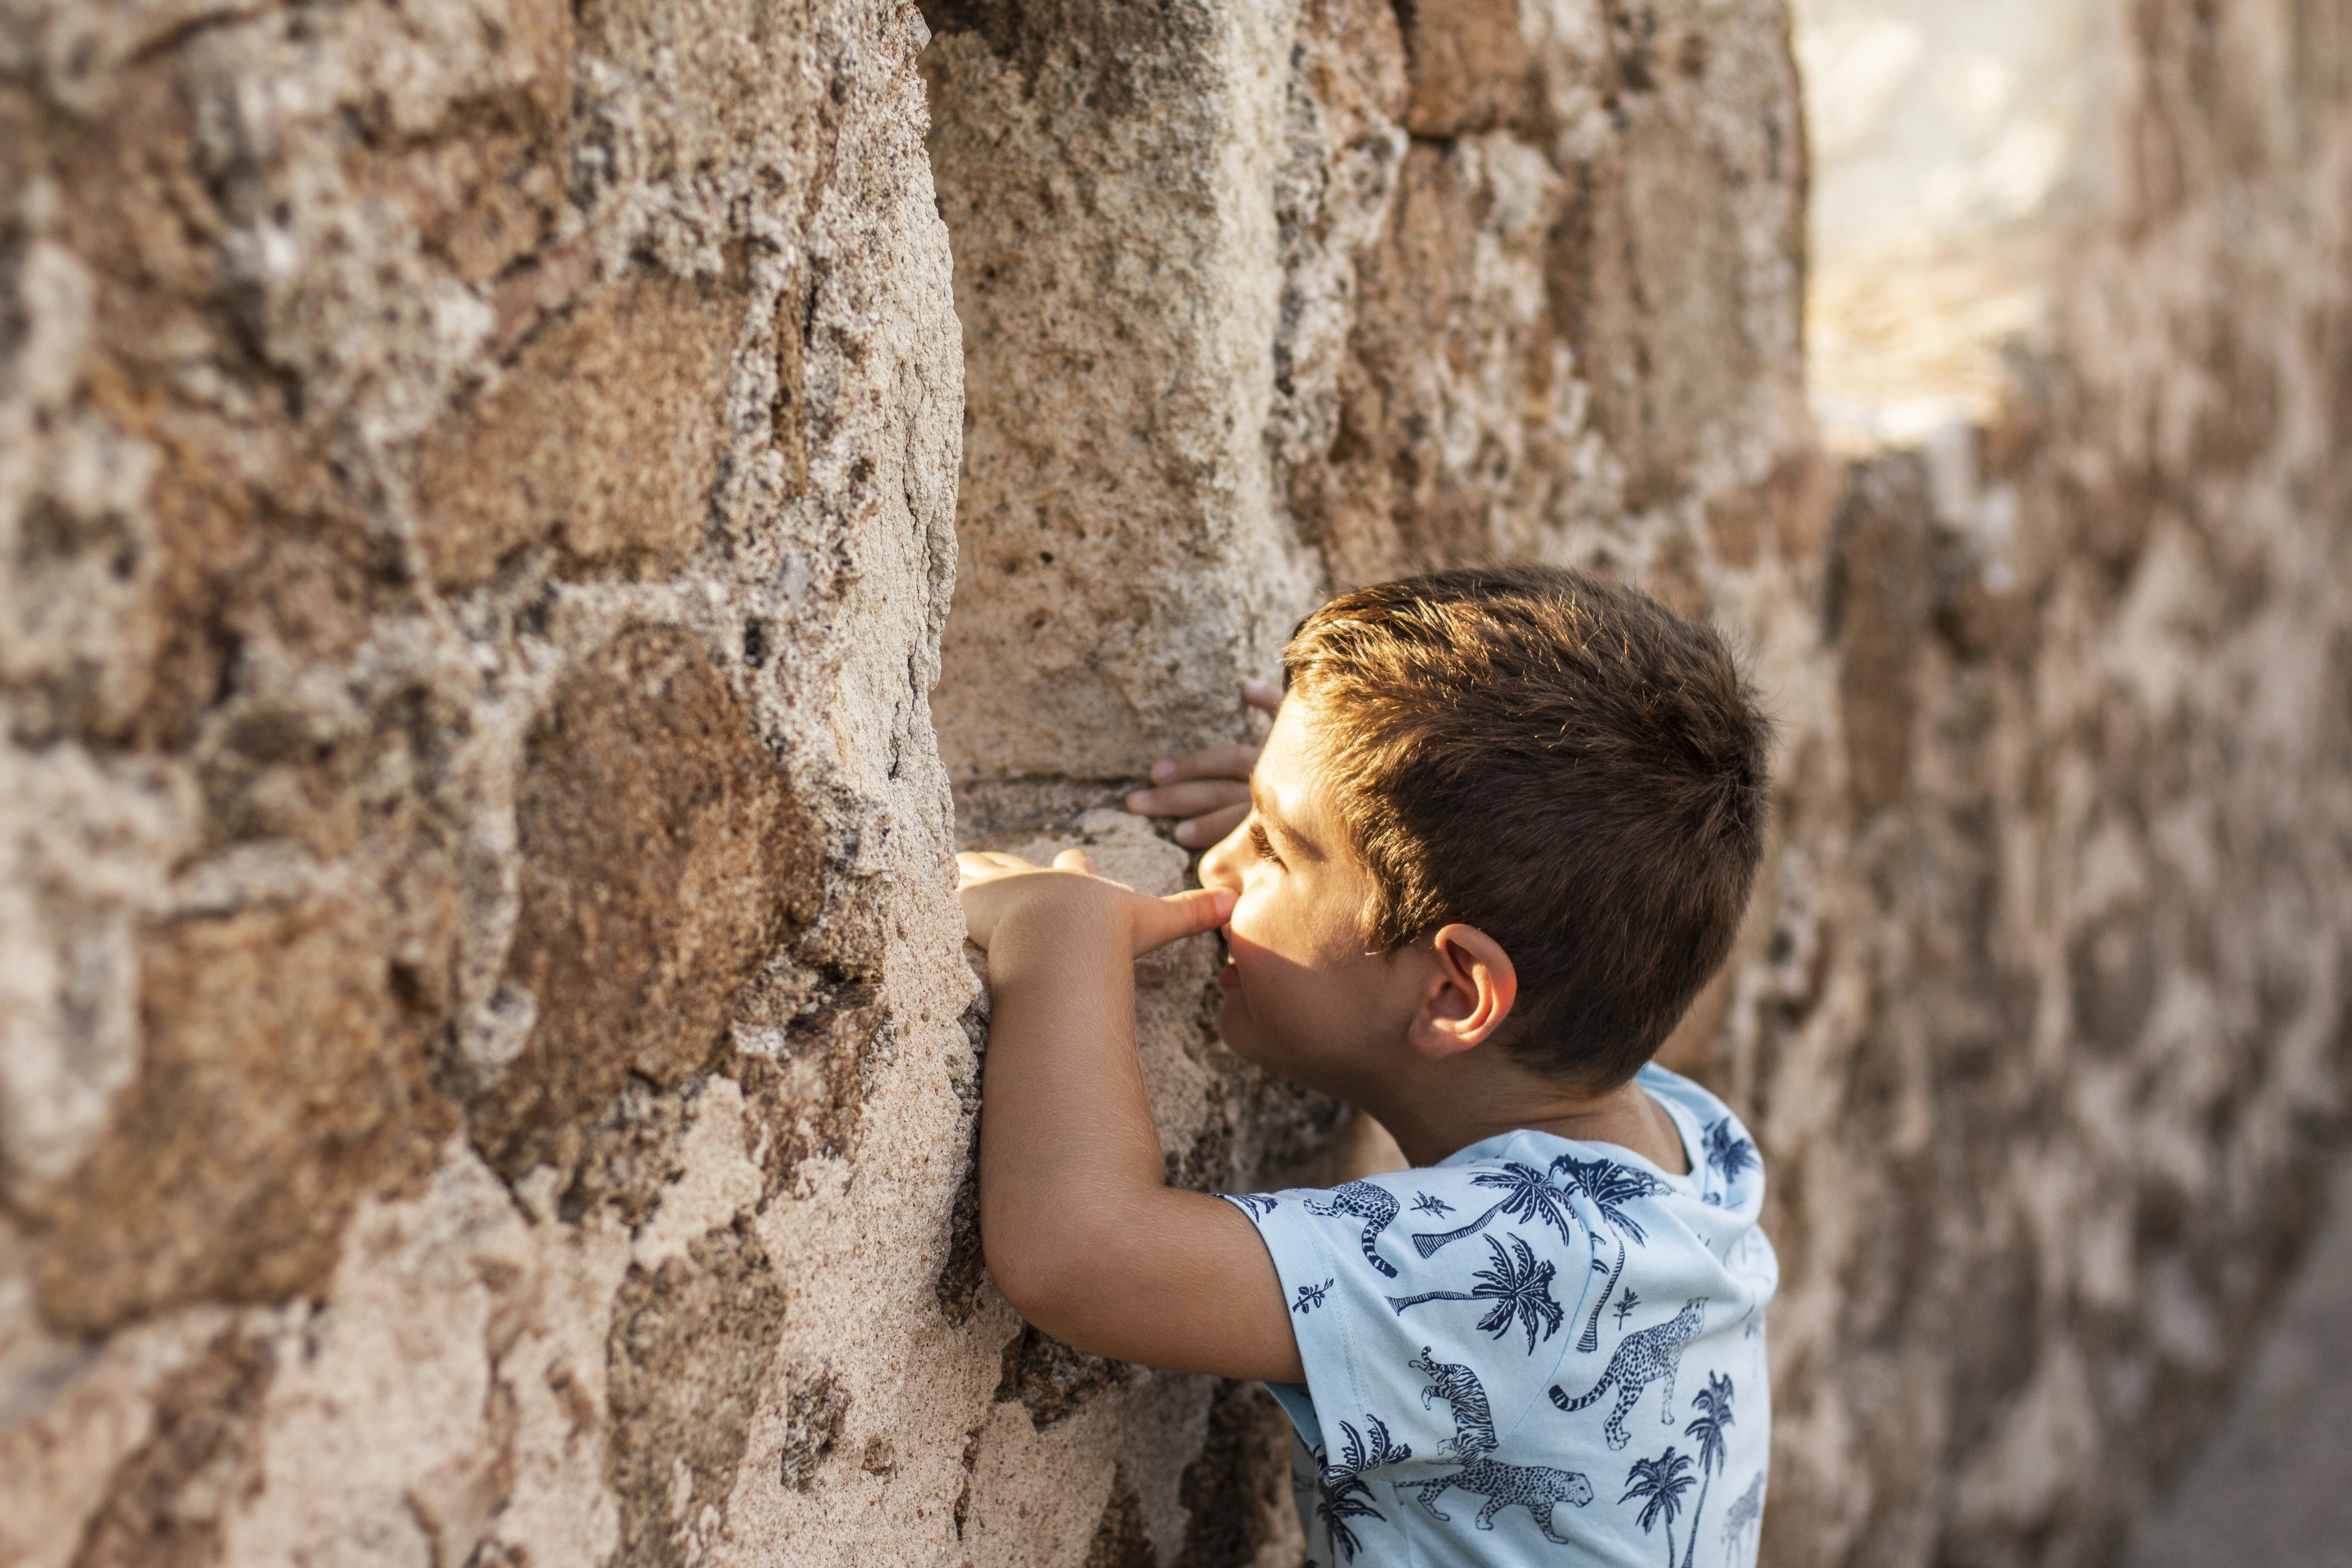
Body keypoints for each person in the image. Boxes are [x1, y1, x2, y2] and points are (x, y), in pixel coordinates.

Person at [957, 566, 1778, 1567]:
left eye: (1270, 845)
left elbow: (1075, 1254)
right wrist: (1329, 833)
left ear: (1454, 993)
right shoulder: (1690, 1143)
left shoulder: (1508, 1276)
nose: (1221, 868)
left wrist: (1056, 939)